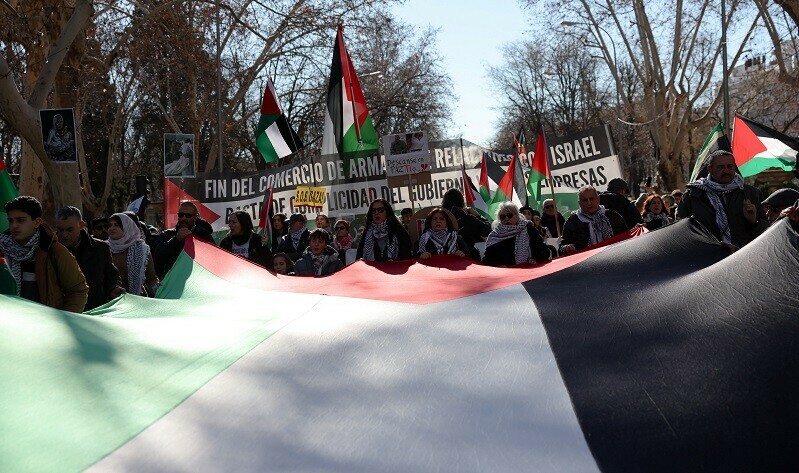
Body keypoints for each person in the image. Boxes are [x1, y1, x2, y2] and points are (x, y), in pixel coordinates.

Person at [0, 196, 88, 312]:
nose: (14, 225)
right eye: (11, 220)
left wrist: (64, 319)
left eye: (20, 220)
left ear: (37, 222)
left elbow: (78, 290)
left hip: (45, 321)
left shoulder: (54, 251)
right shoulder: (3, 248)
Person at [677, 150, 768, 251]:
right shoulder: (693, 195)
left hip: (744, 254)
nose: (726, 171)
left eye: (730, 166)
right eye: (721, 167)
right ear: (710, 169)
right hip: (707, 256)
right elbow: (680, 230)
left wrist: (753, 222)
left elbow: (767, 232)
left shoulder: (750, 194)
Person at [55, 206, 124, 310]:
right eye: (60, 230)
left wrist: (114, 288)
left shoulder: (100, 248)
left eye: (69, 229)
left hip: (95, 309)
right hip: (63, 311)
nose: (64, 235)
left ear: (81, 225)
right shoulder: (50, 250)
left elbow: (111, 274)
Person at [559, 185, 628, 255]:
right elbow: (561, 248)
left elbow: (627, 239)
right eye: (585, 200)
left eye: (592, 199)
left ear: (598, 199)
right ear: (579, 203)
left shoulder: (613, 216)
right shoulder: (572, 222)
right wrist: (566, 248)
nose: (589, 203)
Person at [154, 201, 215, 278]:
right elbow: (158, 258)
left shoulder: (203, 236)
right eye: (181, 215)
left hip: (195, 279)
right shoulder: (167, 235)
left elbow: (213, 259)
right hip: (172, 279)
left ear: (195, 218)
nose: (183, 218)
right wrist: (176, 240)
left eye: (188, 216)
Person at [482, 202, 551, 267]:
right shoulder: (495, 235)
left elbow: (544, 251)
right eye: (502, 217)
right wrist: (498, 265)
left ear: (517, 216)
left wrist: (535, 259)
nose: (506, 219)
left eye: (509, 215)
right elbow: (487, 260)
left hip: (529, 271)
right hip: (505, 274)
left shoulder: (528, 229)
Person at [108, 213, 158, 296]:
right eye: (110, 225)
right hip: (111, 298)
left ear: (127, 226)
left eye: (116, 225)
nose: (112, 228)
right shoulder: (104, 248)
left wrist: (158, 292)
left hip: (137, 297)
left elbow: (151, 278)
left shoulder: (141, 249)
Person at [441, 188, 491, 261]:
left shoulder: (439, 218)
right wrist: (478, 216)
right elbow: (487, 229)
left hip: (444, 258)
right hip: (468, 257)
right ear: (461, 202)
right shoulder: (468, 219)